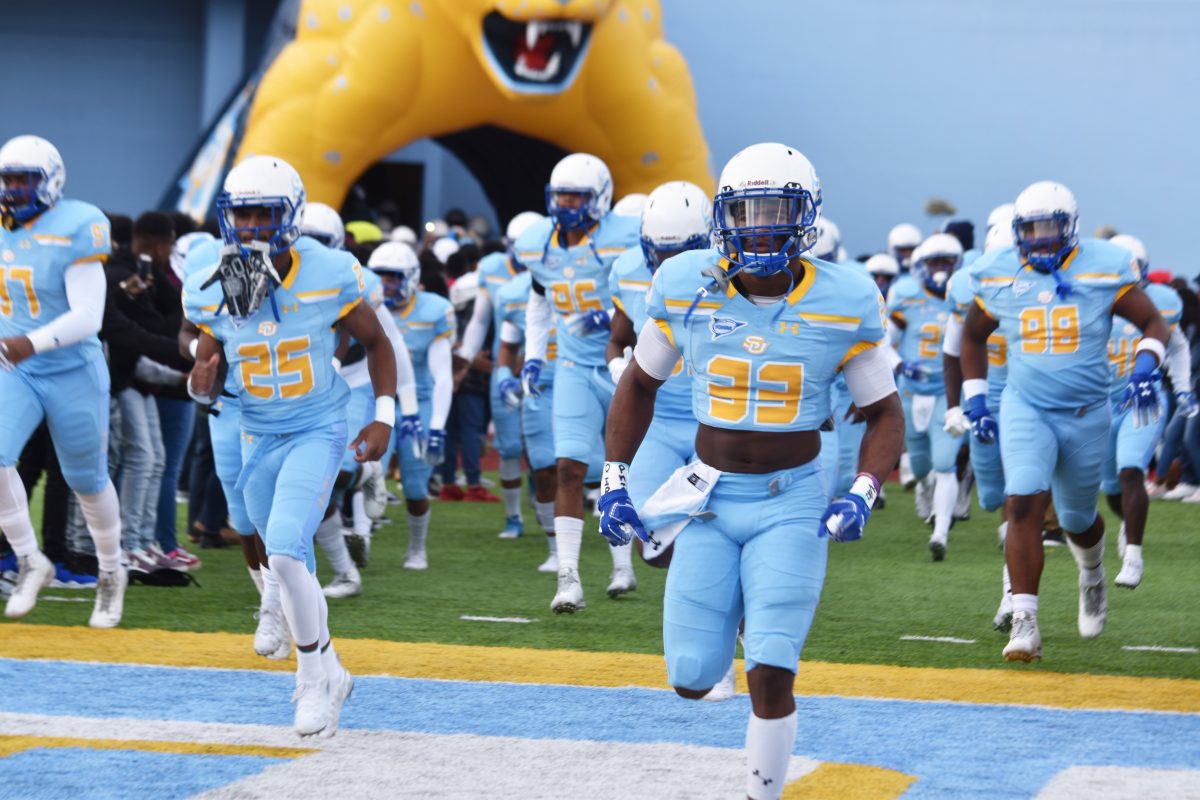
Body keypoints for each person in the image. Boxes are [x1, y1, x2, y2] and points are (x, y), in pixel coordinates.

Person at [600, 143, 903, 800]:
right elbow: (638, 385)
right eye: (747, 211)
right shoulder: (685, 283)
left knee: (770, 668)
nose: (761, 226)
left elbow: (884, 413)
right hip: (708, 495)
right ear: (723, 217)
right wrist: (614, 478)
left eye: (776, 211)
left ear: (807, 217)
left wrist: (863, 490)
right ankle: (741, 606)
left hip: (791, 498)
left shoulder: (846, 296)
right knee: (690, 676)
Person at [184, 155, 396, 736]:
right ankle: (332, 670)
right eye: (241, 214)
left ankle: (310, 683)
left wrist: (383, 415)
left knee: (282, 550)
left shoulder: (328, 269)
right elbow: (207, 358)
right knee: (273, 549)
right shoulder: (214, 273)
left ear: (291, 216)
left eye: (263, 213)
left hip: (316, 426)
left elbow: (377, 344)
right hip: (255, 430)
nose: (250, 227)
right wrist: (200, 381)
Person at [960, 181, 1169, 662]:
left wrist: (1144, 365)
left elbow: (1153, 324)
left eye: (1050, 227)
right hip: (1025, 405)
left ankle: (1093, 575)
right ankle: (1025, 619)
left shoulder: (1103, 266)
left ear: (1070, 227)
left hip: (1085, 411)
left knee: (1076, 517)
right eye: (1030, 229)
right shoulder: (998, 273)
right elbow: (972, 338)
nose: (1040, 238)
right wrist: (974, 398)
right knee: (1022, 503)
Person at [0, 134, 126, 627]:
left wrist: (30, 342)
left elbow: (89, 314)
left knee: (85, 481)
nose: (13, 189)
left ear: (50, 181)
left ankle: (113, 572)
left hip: (71, 367)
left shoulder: (80, 222)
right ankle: (32, 559)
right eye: (7, 179)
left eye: (23, 179)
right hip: (16, 366)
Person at [515, 152, 640, 612]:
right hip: (571, 367)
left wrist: (608, 315)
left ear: (601, 199)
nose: (566, 203)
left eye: (576, 195)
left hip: (624, 362)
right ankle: (568, 578)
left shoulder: (623, 239)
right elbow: (539, 299)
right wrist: (533, 356)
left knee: (618, 467)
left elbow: (648, 290)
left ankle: (623, 565)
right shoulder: (537, 244)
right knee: (568, 465)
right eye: (561, 194)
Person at [606, 181, 711, 565]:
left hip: (714, 419)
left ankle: (729, 609)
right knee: (651, 543)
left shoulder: (733, 276)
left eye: (680, 253)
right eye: (660, 253)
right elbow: (616, 338)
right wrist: (619, 367)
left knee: (725, 528)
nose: (669, 265)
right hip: (657, 421)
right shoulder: (629, 269)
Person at [1101, 234, 1196, 589]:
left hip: (1144, 399)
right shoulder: (1090, 299)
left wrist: (1183, 388)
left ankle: (1134, 556)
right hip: (1100, 402)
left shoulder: (1160, 302)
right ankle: (1128, 520)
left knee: (1131, 472)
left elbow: (1178, 345)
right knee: (1111, 488)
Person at [942, 216, 1015, 628]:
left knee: (1017, 497)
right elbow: (954, 351)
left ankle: (1013, 595)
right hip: (984, 397)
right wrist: (957, 406)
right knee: (994, 497)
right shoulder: (967, 286)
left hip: (1029, 398)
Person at [459, 211, 545, 536]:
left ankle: (542, 491)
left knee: (543, 446)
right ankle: (513, 517)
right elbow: (481, 319)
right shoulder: (493, 269)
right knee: (508, 446)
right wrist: (466, 356)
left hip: (543, 367)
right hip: (504, 365)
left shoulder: (554, 268)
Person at [368, 241, 452, 571]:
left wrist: (437, 427)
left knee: (416, 486)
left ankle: (417, 549)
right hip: (377, 399)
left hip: (422, 400)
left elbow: (442, 373)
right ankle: (361, 533)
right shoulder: (362, 306)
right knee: (364, 469)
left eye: (392, 277)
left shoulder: (433, 310)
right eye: (380, 277)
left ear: (412, 278)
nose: (385, 285)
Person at [887, 233, 965, 559]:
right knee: (920, 467)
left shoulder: (961, 297)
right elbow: (882, 343)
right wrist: (901, 365)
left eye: (947, 261)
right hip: (911, 392)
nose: (941, 268)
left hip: (947, 393)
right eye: (935, 261)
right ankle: (922, 485)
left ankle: (941, 533)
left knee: (945, 464)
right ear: (922, 265)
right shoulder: (906, 298)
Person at [495, 270, 562, 572]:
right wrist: (504, 376)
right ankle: (556, 549)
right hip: (540, 389)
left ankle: (621, 557)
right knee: (544, 467)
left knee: (599, 468)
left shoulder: (589, 277)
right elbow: (508, 346)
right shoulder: (514, 293)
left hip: (589, 383)